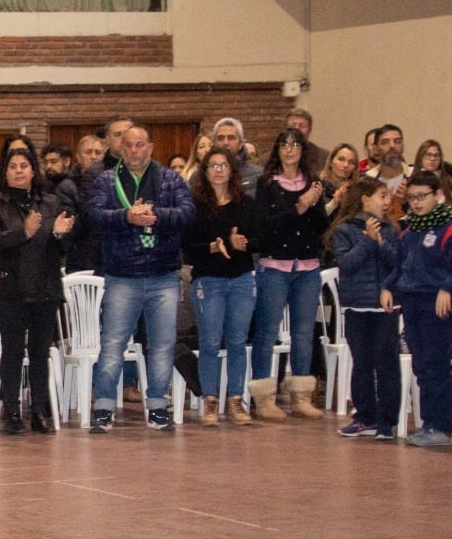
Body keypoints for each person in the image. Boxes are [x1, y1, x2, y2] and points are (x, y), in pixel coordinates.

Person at [84, 125, 196, 432]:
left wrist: (156, 215)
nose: (134, 151)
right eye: (129, 145)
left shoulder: (171, 179)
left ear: (151, 147)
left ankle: (158, 404)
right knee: (112, 343)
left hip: (162, 274)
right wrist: (126, 217)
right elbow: (93, 215)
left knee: (162, 344)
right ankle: (104, 405)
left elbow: (188, 213)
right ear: (121, 148)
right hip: (122, 274)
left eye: (140, 145)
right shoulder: (107, 180)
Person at [0, 142, 75, 433]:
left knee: (39, 352)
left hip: (44, 288)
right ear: (5, 172)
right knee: (12, 351)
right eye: (13, 167)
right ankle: (11, 411)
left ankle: (38, 410)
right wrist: (25, 232)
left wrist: (60, 236)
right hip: (10, 288)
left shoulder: (50, 203)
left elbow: (62, 249)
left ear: (34, 171)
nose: (19, 171)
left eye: (24, 166)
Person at [247, 126, 328, 422]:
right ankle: (264, 397)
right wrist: (300, 206)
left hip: (307, 266)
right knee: (267, 332)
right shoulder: (267, 184)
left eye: (295, 144)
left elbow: (320, 226)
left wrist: (315, 204)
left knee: (304, 332)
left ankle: (301, 396)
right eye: (284, 144)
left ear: (303, 150)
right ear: (278, 150)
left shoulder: (314, 182)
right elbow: (265, 226)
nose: (290, 149)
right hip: (274, 267)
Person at [386, 171, 452, 448]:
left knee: (436, 364)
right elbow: (399, 267)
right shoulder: (409, 232)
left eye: (422, 197)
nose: (417, 203)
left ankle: (442, 427)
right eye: (412, 198)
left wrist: (448, 288)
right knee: (421, 364)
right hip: (411, 302)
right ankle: (428, 423)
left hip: (437, 302)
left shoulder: (451, 229)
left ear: (438, 195)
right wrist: (388, 287)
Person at [182, 148, 258, 426]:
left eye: (224, 165)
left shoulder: (245, 204)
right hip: (208, 280)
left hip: (241, 278)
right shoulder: (194, 206)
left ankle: (237, 400)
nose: (218, 170)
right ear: (204, 172)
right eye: (212, 165)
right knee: (210, 342)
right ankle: (210, 401)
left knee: (238, 342)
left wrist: (243, 243)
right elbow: (187, 248)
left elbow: (259, 238)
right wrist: (213, 247)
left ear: (232, 170)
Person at [330, 178, 401, 440]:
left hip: (385, 309)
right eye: (382, 195)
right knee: (361, 364)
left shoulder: (391, 229)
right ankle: (365, 417)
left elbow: (396, 263)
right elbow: (346, 264)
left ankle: (386, 421)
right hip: (357, 306)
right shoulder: (345, 229)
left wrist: (380, 241)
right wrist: (368, 242)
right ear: (365, 199)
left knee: (386, 363)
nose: (387, 201)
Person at [64, 134, 108, 274]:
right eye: (88, 152)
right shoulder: (67, 185)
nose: (94, 156)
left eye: (98, 152)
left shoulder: (109, 182)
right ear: (78, 156)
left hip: (105, 256)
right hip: (80, 257)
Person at [321, 143, 361, 217]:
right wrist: (334, 202)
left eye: (351, 162)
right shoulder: (317, 186)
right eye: (341, 159)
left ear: (354, 168)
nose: (346, 165)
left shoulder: (357, 192)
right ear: (331, 162)